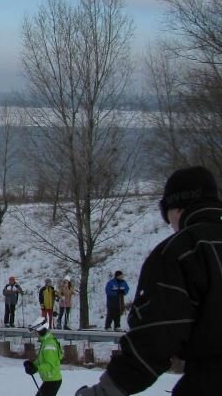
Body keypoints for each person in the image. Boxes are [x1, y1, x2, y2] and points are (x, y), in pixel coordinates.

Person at [77, 166, 222, 396]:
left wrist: (107, 390)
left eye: (167, 216)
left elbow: (157, 334)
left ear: (176, 209)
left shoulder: (182, 251)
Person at [24, 316, 63, 396]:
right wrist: (32, 365)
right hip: (50, 380)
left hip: (53, 381)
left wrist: (36, 368)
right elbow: (42, 360)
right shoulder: (46, 342)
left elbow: (50, 365)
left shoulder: (49, 345)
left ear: (41, 331)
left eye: (36, 332)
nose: (35, 334)